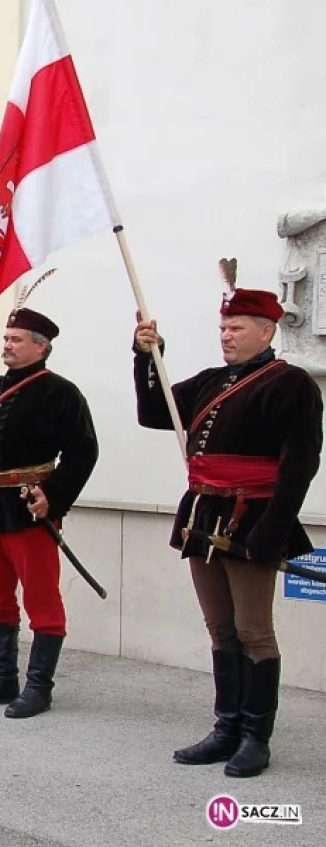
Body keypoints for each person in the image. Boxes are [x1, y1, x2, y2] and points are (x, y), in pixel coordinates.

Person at [134, 286, 322, 778]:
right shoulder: (210, 381)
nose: (227, 336)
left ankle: (256, 737)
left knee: (253, 631)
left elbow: (299, 464)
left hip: (254, 517)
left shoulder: (292, 384)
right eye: (223, 327)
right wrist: (147, 357)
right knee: (220, 628)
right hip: (203, 515)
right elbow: (156, 414)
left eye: (237, 328)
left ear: (267, 332)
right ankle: (226, 727)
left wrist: (273, 529)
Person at [0, 305, 98, 718]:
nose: (7, 345)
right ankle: (1, 679)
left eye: (16, 339)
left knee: (42, 599)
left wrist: (54, 496)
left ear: (41, 347)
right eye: (6, 339)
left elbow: (84, 452)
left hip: (30, 505)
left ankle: (39, 687)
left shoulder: (61, 392)